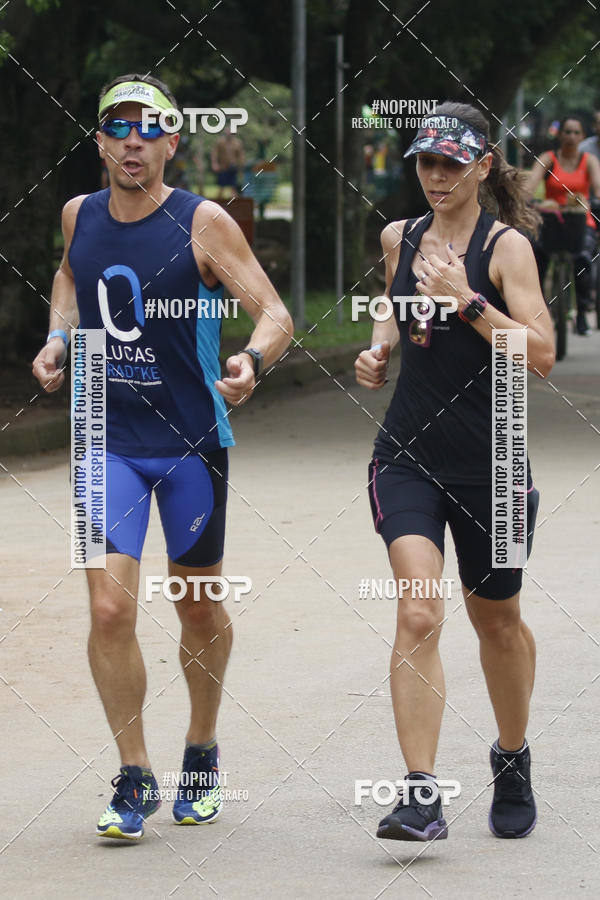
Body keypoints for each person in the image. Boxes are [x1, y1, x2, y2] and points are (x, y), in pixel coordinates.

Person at [31, 73, 293, 841]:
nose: (133, 140)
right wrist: (57, 337)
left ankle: (202, 750)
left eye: (150, 129)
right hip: (106, 440)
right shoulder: (79, 213)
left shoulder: (203, 222)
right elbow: (72, 278)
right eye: (118, 127)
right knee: (109, 606)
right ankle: (134, 773)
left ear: (173, 143)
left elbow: (272, 311)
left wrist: (251, 363)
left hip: (189, 444)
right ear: (103, 142)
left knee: (196, 602)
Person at [354, 102, 555, 842]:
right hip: (408, 452)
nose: (435, 176)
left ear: (481, 167)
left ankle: (511, 757)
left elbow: (539, 355)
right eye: (425, 163)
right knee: (417, 610)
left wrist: (466, 301)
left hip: (494, 463)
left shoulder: (507, 250)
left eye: (449, 163)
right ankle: (420, 795)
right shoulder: (399, 236)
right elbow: (393, 304)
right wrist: (378, 351)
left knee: (496, 621)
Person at [526, 115, 600, 335]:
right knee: (536, 256)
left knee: (583, 259)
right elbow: (531, 184)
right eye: (567, 131)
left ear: (582, 136)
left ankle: (582, 313)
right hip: (550, 217)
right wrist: (526, 198)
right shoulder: (548, 158)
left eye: (576, 132)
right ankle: (537, 309)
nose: (571, 136)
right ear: (559, 135)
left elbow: (597, 185)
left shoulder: (589, 161)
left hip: (579, 219)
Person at [211, 127, 245, 199]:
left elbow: (241, 155)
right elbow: (215, 153)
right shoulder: (220, 142)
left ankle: (235, 205)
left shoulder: (237, 143)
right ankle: (218, 204)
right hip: (223, 168)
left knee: (233, 188)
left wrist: (241, 166)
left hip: (233, 168)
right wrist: (215, 164)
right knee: (221, 188)